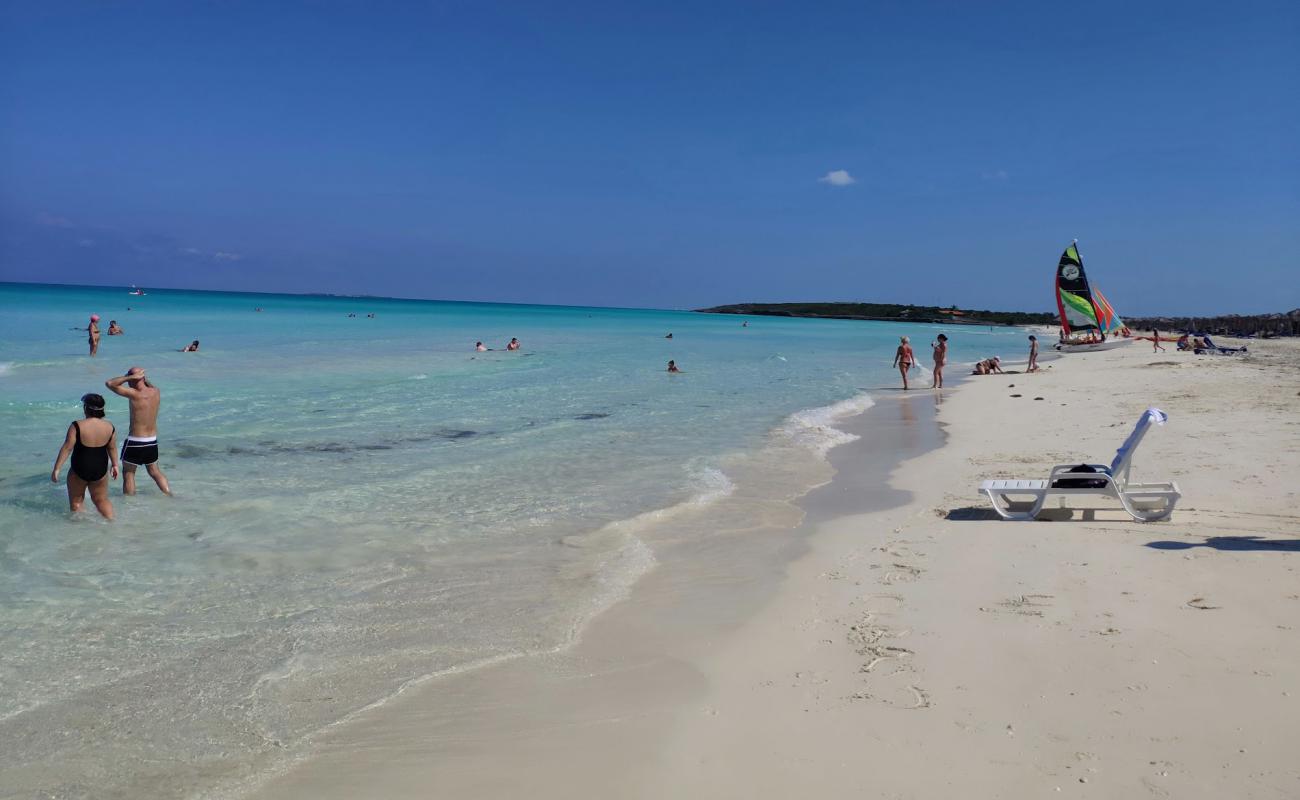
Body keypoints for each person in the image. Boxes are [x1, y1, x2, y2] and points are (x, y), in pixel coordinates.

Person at [50, 393, 119, 520]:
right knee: (101, 500)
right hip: (100, 469)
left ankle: (82, 531)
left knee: (76, 503)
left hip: (79, 469)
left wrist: (57, 469)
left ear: (86, 408)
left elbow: (67, 447)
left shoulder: (77, 425)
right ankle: (111, 522)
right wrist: (115, 465)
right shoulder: (109, 427)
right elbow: (112, 448)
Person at [105, 367, 172, 496]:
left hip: (135, 441)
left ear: (133, 378)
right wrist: (142, 378)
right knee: (154, 472)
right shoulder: (156, 392)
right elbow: (149, 386)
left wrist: (129, 378)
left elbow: (109, 383)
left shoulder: (134, 394)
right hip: (151, 441)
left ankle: (129, 503)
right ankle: (169, 495)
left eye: (129, 377)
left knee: (128, 474)